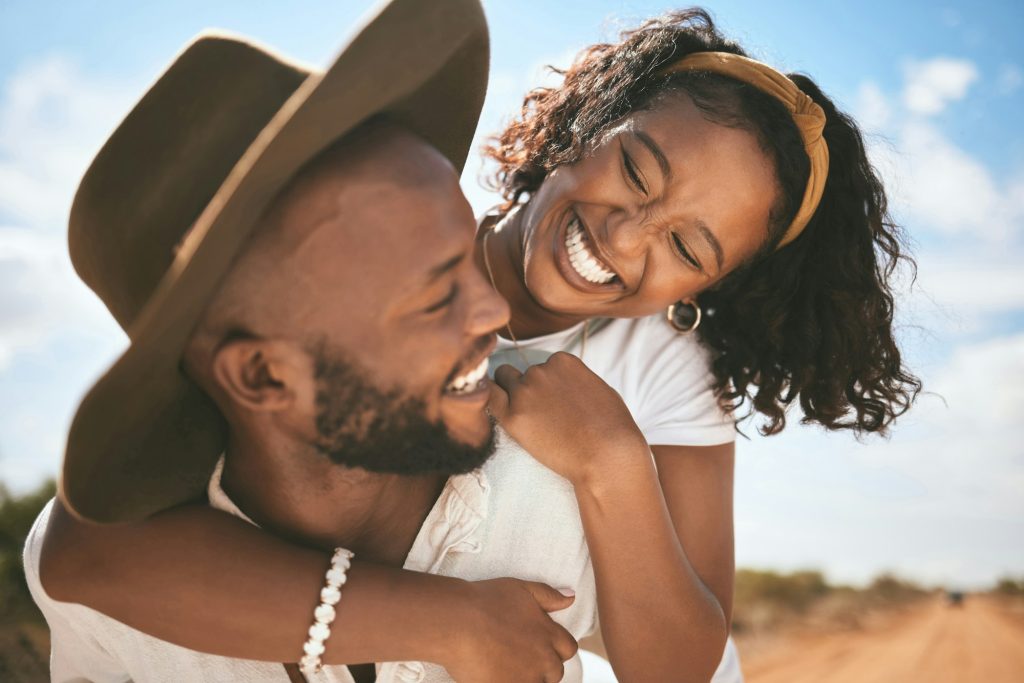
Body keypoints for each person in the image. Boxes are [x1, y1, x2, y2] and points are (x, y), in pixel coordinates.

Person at [31, 6, 921, 683]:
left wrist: (611, 459)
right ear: (587, 125)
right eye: (639, 169)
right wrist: (443, 620)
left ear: (708, 289)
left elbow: (688, 650)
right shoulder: (387, 214)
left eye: (689, 248)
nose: (628, 234)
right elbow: (90, 547)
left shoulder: (655, 373)